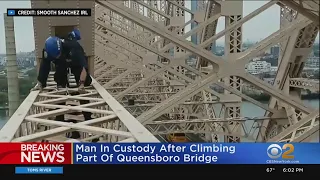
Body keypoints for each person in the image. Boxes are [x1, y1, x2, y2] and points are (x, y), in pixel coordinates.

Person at [31, 29, 94, 140]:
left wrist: (82, 84)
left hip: (75, 62)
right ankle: (60, 116)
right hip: (62, 63)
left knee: (85, 83)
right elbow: (44, 67)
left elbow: (84, 67)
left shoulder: (74, 47)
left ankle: (87, 117)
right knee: (60, 81)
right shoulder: (48, 50)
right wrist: (41, 83)